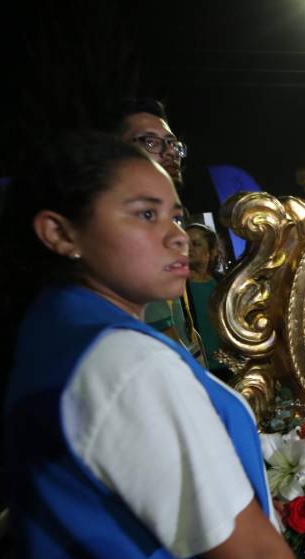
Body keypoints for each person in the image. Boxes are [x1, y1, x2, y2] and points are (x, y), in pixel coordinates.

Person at [0, 132, 299, 559]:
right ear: (61, 233)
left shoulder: (54, 326)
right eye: (146, 214)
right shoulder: (128, 361)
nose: (178, 237)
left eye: (176, 217)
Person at [111, 97, 202, 362]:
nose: (170, 151)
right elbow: (161, 331)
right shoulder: (122, 229)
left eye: (172, 143)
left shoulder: (170, 222)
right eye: (151, 142)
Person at [185, 223, 230, 378]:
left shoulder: (224, 284)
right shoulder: (178, 290)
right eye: (184, 243)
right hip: (199, 371)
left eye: (196, 244)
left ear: (211, 252)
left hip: (229, 367)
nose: (188, 248)